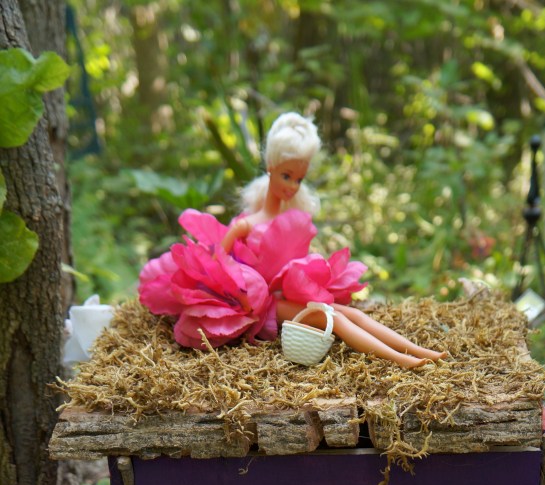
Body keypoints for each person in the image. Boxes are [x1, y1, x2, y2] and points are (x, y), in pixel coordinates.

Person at [139, 112, 446, 367]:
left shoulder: (292, 220)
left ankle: (420, 351)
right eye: (287, 176)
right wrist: (246, 298)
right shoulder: (246, 225)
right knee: (334, 319)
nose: (293, 186)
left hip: (286, 298)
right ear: (271, 169)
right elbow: (219, 266)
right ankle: (401, 359)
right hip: (266, 307)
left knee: (350, 313)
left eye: (299, 179)